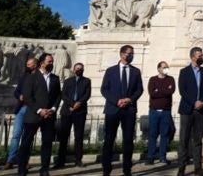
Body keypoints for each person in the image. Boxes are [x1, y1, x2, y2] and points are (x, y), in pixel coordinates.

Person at [100, 45, 144, 176]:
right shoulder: (110, 71)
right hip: (112, 109)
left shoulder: (136, 71)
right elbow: (104, 89)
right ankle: (106, 169)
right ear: (121, 54)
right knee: (109, 140)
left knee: (128, 140)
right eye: (128, 53)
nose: (130, 55)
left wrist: (129, 100)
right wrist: (116, 101)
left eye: (132, 53)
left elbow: (139, 89)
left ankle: (127, 169)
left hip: (129, 110)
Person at [18, 53, 61, 176]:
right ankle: (22, 168)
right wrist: (39, 110)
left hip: (49, 116)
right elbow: (27, 97)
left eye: (52, 61)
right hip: (33, 115)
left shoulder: (55, 78)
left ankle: (44, 169)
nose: (51, 63)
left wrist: (52, 109)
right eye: (49, 61)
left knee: (47, 143)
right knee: (26, 143)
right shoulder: (31, 77)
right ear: (42, 63)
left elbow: (58, 95)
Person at [177, 47, 203, 176]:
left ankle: (198, 167)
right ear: (192, 57)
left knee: (198, 139)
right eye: (199, 55)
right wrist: (194, 102)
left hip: (201, 110)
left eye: (202, 55)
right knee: (184, 140)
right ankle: (182, 167)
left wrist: (201, 101)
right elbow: (182, 90)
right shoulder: (184, 72)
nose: (201, 57)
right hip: (187, 109)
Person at [55, 62, 91, 169]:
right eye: (77, 68)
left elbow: (87, 94)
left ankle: (78, 160)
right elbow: (63, 94)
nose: (79, 70)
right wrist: (72, 104)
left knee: (79, 137)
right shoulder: (67, 81)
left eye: (81, 68)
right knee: (63, 136)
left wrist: (78, 103)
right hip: (67, 111)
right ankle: (61, 161)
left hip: (80, 111)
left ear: (83, 70)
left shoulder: (87, 81)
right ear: (74, 70)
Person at [4, 56, 38, 170]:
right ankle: (11, 159)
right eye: (27, 64)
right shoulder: (24, 76)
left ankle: (24, 160)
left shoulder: (39, 77)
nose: (27, 66)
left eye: (29, 64)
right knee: (16, 135)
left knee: (27, 137)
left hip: (32, 109)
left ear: (35, 65)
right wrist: (20, 96)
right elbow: (16, 91)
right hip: (21, 108)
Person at [146, 61, 176, 165]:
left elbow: (171, 91)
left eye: (166, 67)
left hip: (166, 111)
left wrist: (159, 90)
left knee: (164, 134)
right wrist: (164, 91)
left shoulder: (171, 79)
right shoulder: (153, 79)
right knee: (153, 134)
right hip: (154, 111)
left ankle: (162, 156)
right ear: (158, 69)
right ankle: (150, 157)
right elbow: (152, 93)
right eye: (163, 67)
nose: (165, 69)